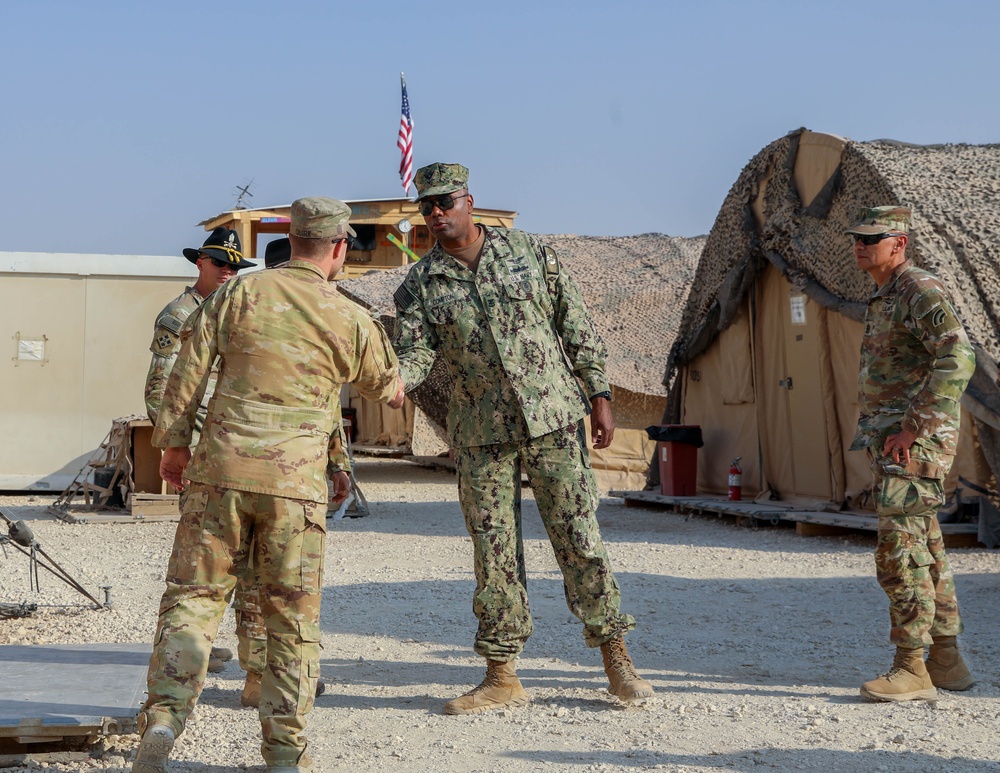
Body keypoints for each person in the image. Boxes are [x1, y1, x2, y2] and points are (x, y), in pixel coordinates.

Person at [132, 197, 402, 773]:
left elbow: (188, 369)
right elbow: (388, 387)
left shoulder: (236, 293)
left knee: (194, 598)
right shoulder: (350, 317)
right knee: (290, 619)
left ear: (291, 237)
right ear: (337, 248)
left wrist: (174, 446)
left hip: (219, 472)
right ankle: (283, 753)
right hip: (293, 488)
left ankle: (163, 719)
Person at [391, 162, 653, 715]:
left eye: (446, 202)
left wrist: (599, 394)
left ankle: (616, 660)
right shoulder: (420, 284)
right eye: (427, 207)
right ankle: (501, 673)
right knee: (494, 553)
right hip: (481, 432)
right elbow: (415, 353)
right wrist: (394, 381)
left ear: (469, 201)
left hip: (553, 418)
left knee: (579, 540)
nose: (437, 214)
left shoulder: (529, 253)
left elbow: (573, 321)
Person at [847, 206, 976, 703]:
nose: (860, 245)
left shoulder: (918, 289)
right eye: (856, 237)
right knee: (926, 547)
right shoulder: (886, 295)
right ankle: (946, 660)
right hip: (897, 442)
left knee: (898, 551)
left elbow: (957, 355)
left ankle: (911, 667)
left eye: (872, 238)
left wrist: (912, 425)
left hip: (913, 444)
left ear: (898, 243)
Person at [143, 227, 263, 685]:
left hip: (245, 453)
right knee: (203, 568)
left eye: (235, 266)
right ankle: (191, 654)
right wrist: (182, 449)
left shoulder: (242, 311)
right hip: (203, 456)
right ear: (201, 263)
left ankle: (258, 670)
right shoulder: (180, 316)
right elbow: (163, 390)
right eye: (220, 264)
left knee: (253, 566)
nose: (228, 272)